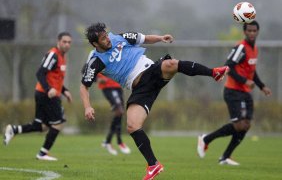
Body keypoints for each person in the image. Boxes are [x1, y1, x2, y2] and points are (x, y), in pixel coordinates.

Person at [80, 22, 229, 180]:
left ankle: (213, 72)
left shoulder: (119, 37)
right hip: (141, 89)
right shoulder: (96, 62)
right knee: (132, 125)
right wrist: (87, 107)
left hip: (151, 71)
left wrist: (160, 38)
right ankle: (153, 165)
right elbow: (84, 86)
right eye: (103, 39)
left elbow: (143, 38)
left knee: (170, 64)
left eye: (106, 35)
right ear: (95, 43)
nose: (107, 39)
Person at [197, 21, 272, 165]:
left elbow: (251, 70)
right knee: (239, 125)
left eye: (254, 31)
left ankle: (225, 157)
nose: (252, 33)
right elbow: (228, 67)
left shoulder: (254, 49)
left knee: (246, 125)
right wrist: (244, 81)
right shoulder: (241, 48)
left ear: (258, 32)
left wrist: (261, 86)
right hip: (232, 91)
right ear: (244, 32)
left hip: (245, 92)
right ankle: (206, 139)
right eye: (249, 30)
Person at [3, 32, 73, 161]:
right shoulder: (53, 54)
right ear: (58, 41)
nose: (67, 44)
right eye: (64, 41)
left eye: (69, 42)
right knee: (58, 123)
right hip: (47, 95)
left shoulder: (63, 57)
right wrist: (48, 89)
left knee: (41, 126)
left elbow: (55, 79)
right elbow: (40, 73)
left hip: (46, 94)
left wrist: (64, 91)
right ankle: (42, 154)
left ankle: (14, 129)